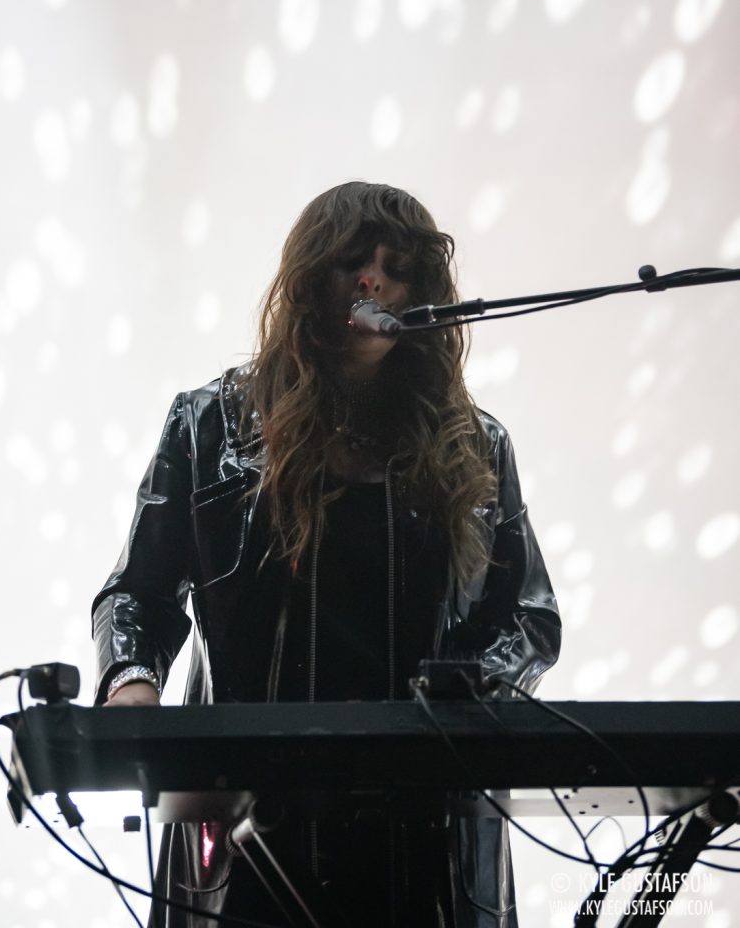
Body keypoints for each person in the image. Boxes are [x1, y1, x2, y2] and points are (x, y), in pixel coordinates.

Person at [91, 182, 561, 927]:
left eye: (396, 268)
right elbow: (137, 594)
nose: (373, 280)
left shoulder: (475, 445)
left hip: (422, 826)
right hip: (243, 818)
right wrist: (131, 681)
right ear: (310, 275)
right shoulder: (208, 424)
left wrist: (473, 689)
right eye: (351, 262)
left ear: (422, 295)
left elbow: (529, 618)